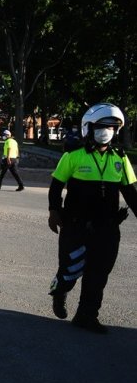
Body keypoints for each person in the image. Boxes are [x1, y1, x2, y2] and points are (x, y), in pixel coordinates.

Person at [47, 103, 137, 333]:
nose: (106, 131)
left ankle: (87, 315)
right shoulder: (73, 157)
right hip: (76, 225)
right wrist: (54, 211)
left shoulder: (120, 159)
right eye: (101, 126)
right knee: (70, 268)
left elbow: (131, 193)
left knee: (98, 273)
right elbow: (56, 186)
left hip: (106, 227)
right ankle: (60, 290)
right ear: (89, 128)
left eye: (111, 127)